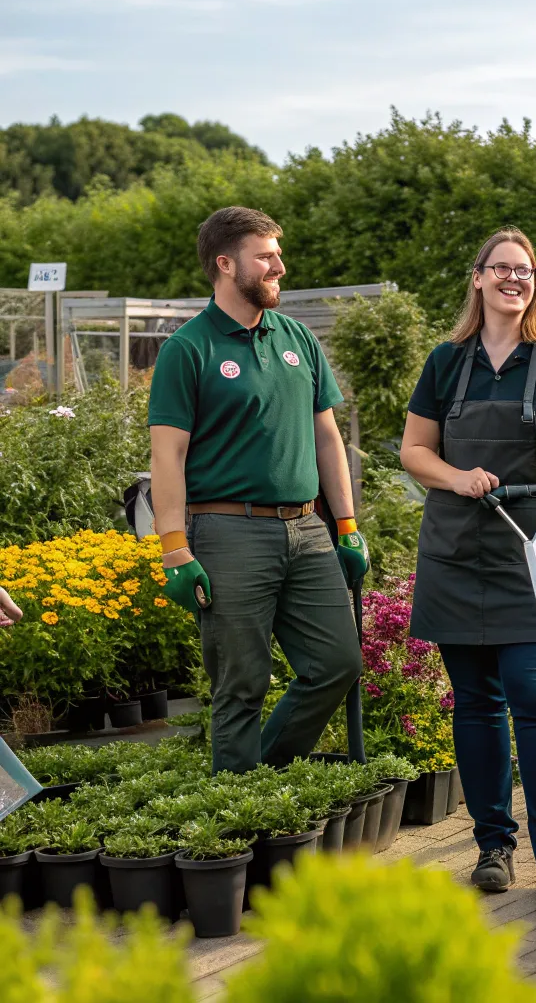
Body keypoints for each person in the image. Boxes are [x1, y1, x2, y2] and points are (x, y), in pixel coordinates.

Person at [400, 228, 536, 901]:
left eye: (526, 270)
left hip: (532, 548)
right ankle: (492, 848)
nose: (516, 279)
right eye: (503, 269)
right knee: (477, 707)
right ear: (479, 278)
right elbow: (414, 452)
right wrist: (457, 478)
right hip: (458, 549)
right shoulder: (446, 362)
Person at [148, 206, 368, 774]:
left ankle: (262, 779)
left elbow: (327, 438)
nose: (281, 266)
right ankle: (242, 826)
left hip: (307, 529)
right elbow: (167, 456)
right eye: (266, 256)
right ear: (226, 264)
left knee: (338, 664)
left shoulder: (297, 339)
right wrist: (174, 549)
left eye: (278, 254)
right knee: (240, 686)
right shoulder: (188, 349)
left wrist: (346, 525)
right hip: (227, 533)